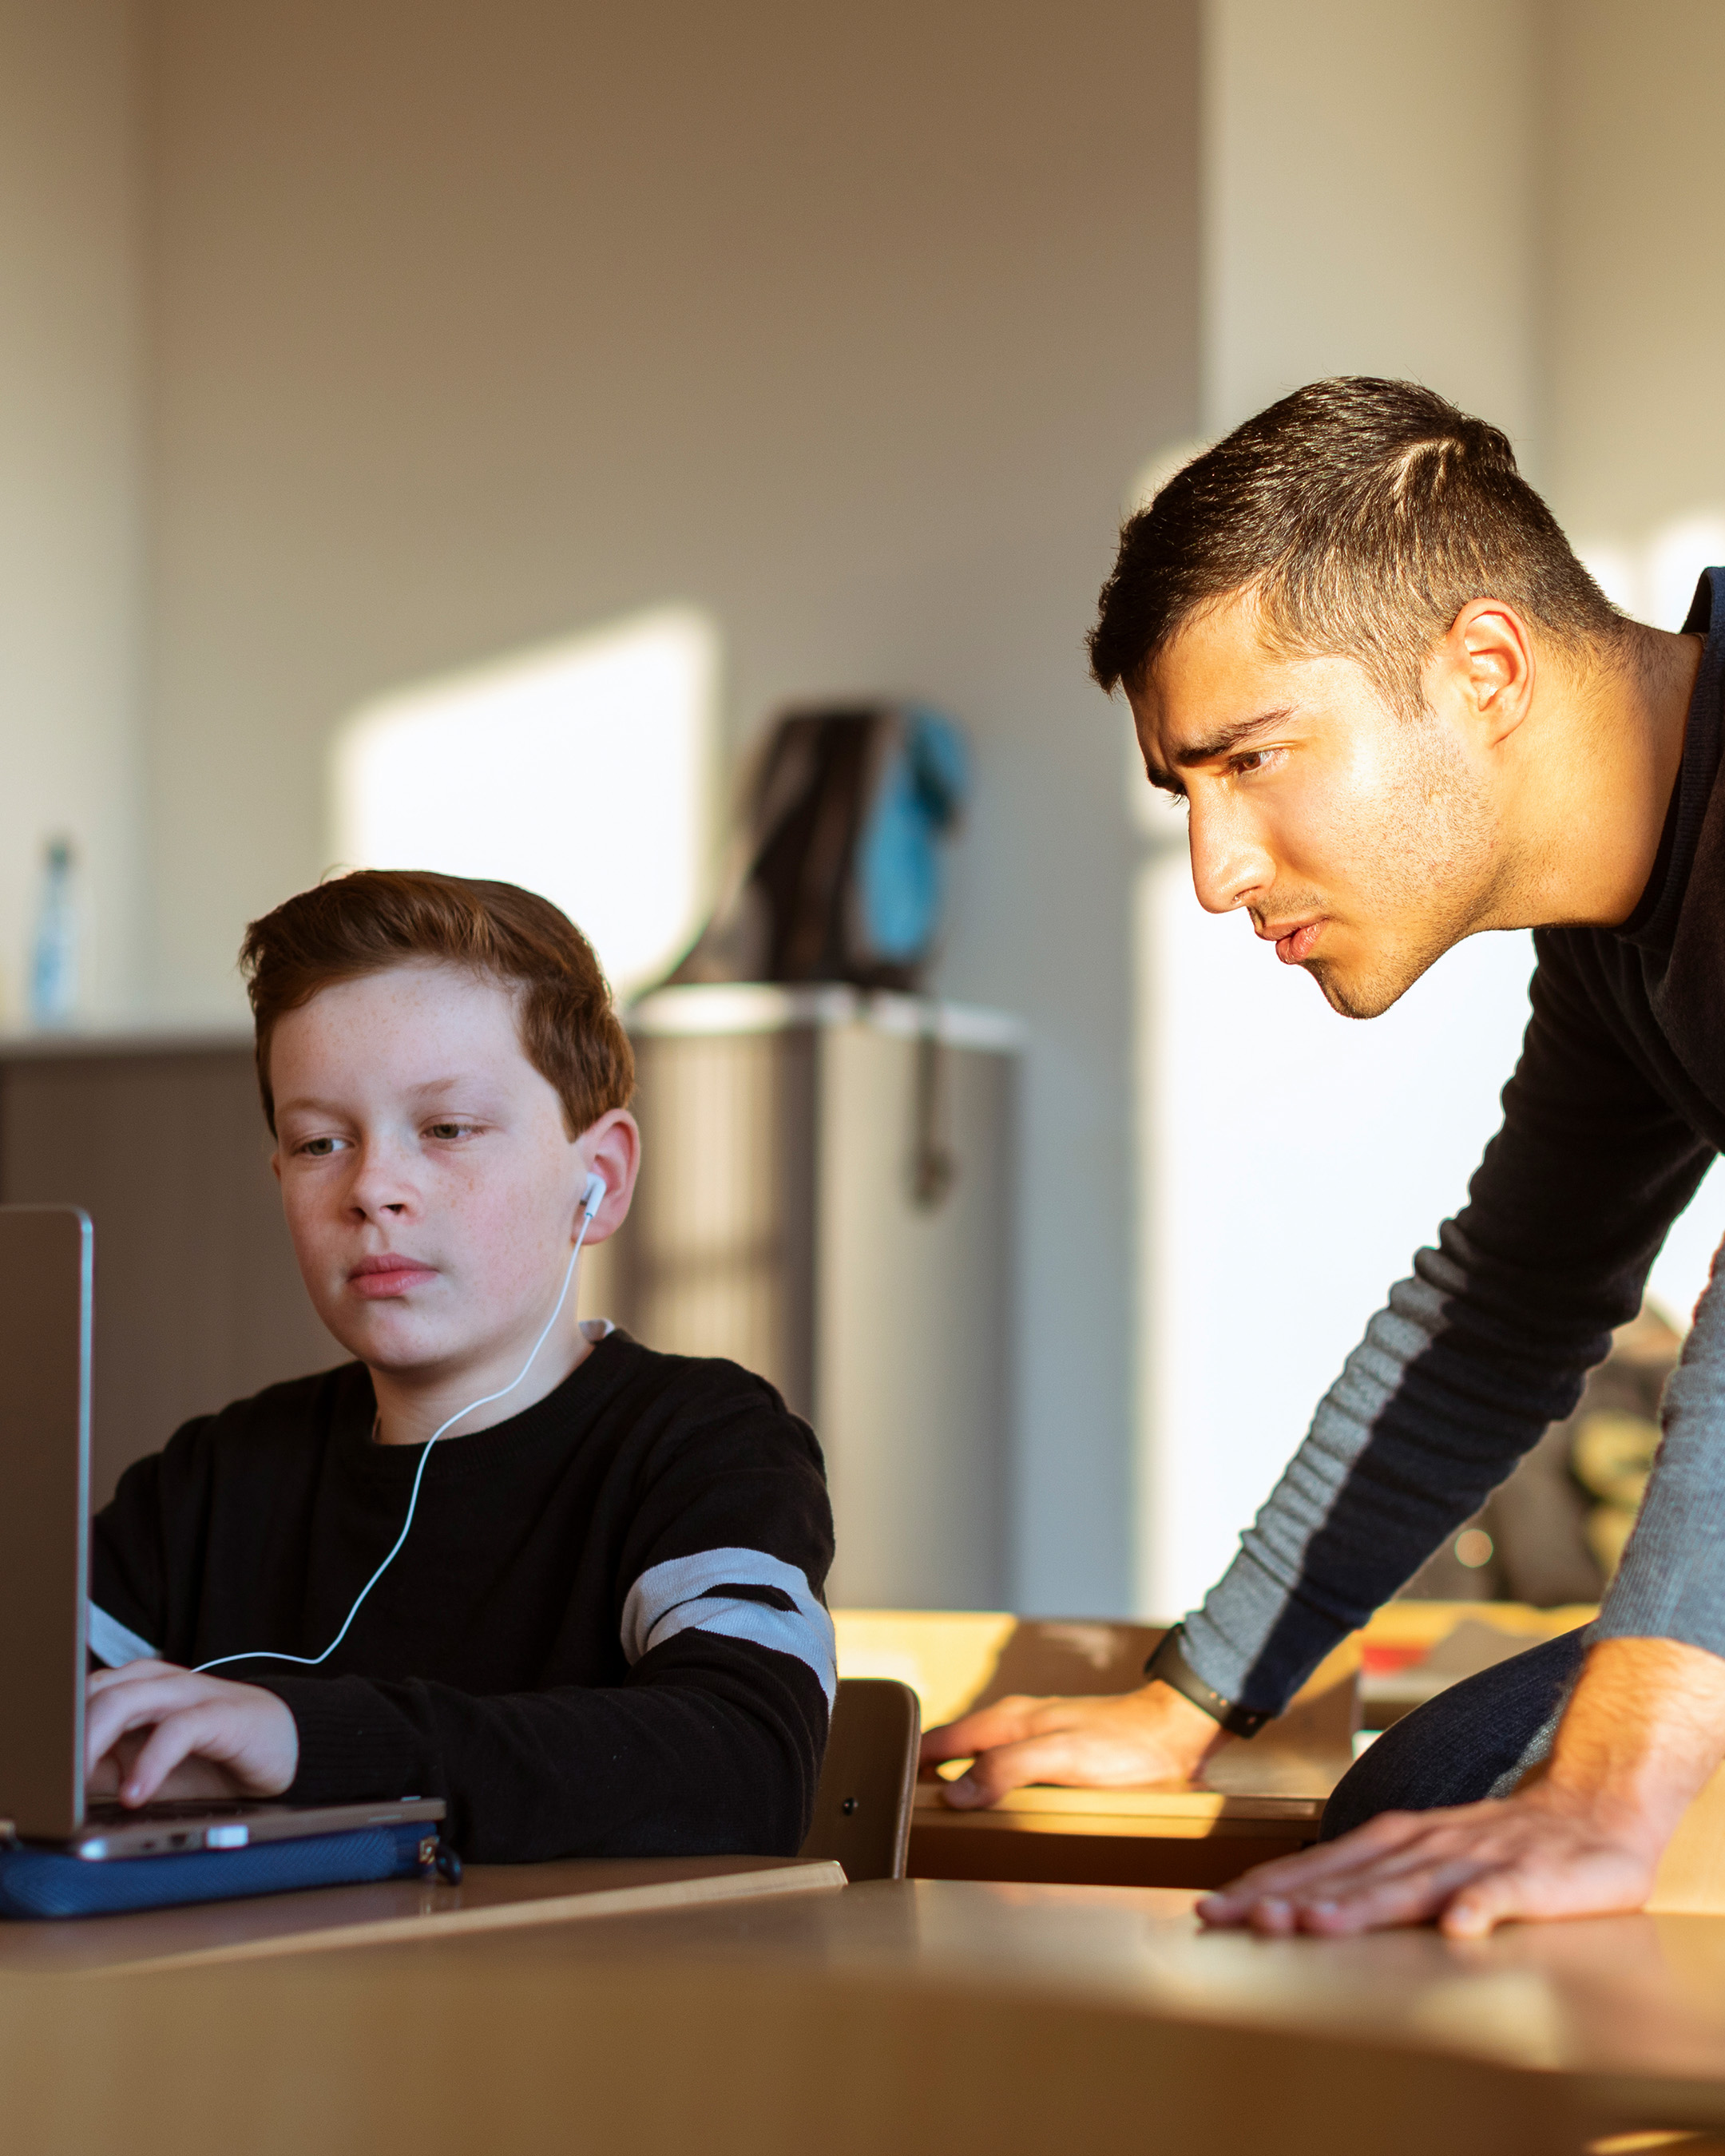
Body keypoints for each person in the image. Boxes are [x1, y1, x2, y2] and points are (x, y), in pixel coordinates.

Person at [922, 377, 1725, 1938]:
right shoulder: (1630, 937)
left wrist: (1609, 1795)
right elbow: (1501, 1312)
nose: (1219, 873)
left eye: (1254, 761)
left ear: (1484, 665)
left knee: (1580, 1816)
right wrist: (1193, 1699)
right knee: (1420, 1805)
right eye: (1187, 793)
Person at [83, 869, 835, 1862]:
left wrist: (303, 1740)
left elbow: (746, 1768)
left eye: (446, 1129)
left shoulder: (705, 1445)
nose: (374, 1187)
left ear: (597, 1180)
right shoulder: (211, 1479)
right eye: (319, 1142)